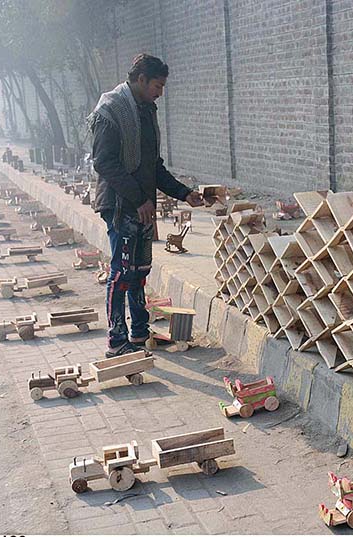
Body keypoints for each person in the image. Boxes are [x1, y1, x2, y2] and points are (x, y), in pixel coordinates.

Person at [89, 53, 203, 358]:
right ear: (141, 79)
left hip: (143, 206)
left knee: (140, 271)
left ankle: (139, 332)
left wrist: (184, 193)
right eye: (158, 85)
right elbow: (104, 163)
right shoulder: (111, 111)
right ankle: (116, 340)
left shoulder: (146, 111)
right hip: (119, 205)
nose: (160, 93)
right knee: (121, 272)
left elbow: (153, 167)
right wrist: (139, 199)